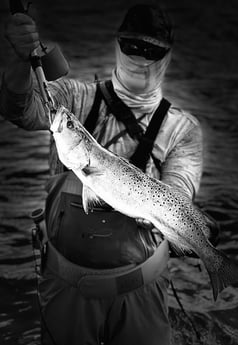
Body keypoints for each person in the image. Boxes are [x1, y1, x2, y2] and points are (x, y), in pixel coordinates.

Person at [0, 3, 219, 345]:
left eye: (151, 50)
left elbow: (180, 192)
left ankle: (216, 263)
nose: (140, 56)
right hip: (64, 284)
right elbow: (20, 109)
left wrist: (158, 214)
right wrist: (18, 62)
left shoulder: (183, 130)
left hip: (143, 289)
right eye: (132, 45)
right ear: (117, 44)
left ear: (167, 56)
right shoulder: (74, 98)